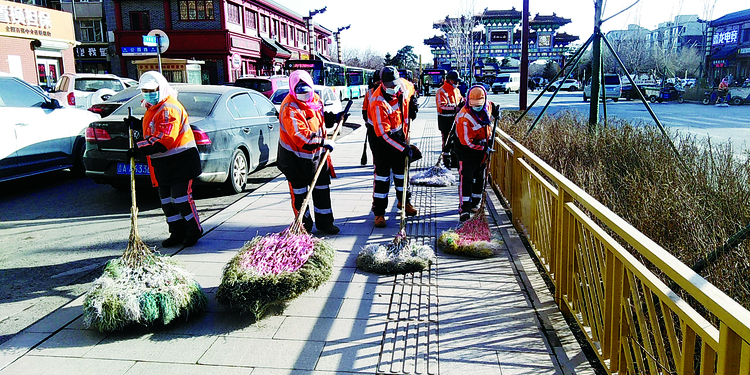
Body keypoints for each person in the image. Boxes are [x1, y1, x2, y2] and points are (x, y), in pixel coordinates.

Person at [126, 71, 203, 247]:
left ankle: (193, 230)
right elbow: (154, 129)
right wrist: (137, 125)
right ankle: (177, 233)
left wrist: (138, 147)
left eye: (152, 90)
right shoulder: (153, 108)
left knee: (181, 200)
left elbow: (164, 140)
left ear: (162, 88)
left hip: (181, 162)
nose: (148, 93)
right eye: (145, 90)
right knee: (167, 202)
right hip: (163, 165)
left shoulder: (169, 108)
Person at [277, 70, 341, 235]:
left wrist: (329, 119)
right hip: (294, 159)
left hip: (316, 156)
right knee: (300, 195)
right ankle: (303, 226)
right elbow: (300, 136)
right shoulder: (289, 108)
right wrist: (322, 142)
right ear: (293, 90)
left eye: (308, 92)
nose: (305, 96)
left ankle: (325, 223)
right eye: (301, 93)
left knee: (322, 189)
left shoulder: (316, 99)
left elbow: (317, 120)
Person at [368, 66, 419, 228]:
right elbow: (383, 135)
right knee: (382, 177)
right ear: (382, 83)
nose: (393, 87)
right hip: (380, 139)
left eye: (394, 84)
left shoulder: (402, 86)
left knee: (401, 173)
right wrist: (404, 149)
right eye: (389, 85)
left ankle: (404, 203)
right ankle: (379, 213)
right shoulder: (377, 102)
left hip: (399, 135)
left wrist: (414, 102)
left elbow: (412, 89)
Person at [454, 85, 499, 222]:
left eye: (480, 105)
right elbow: (466, 141)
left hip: (482, 148)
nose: (477, 108)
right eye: (474, 106)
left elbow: (491, 107)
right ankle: (464, 209)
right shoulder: (464, 116)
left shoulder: (487, 106)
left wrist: (496, 112)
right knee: (466, 177)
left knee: (480, 175)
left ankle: (475, 203)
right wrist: (482, 147)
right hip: (466, 150)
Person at [435, 70, 463, 169]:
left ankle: (455, 161)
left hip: (456, 120)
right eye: (455, 81)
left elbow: (460, 100)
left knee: (457, 141)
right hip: (445, 121)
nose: (457, 83)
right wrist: (455, 108)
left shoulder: (457, 90)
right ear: (450, 80)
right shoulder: (441, 91)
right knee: (446, 142)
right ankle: (446, 162)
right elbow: (442, 107)